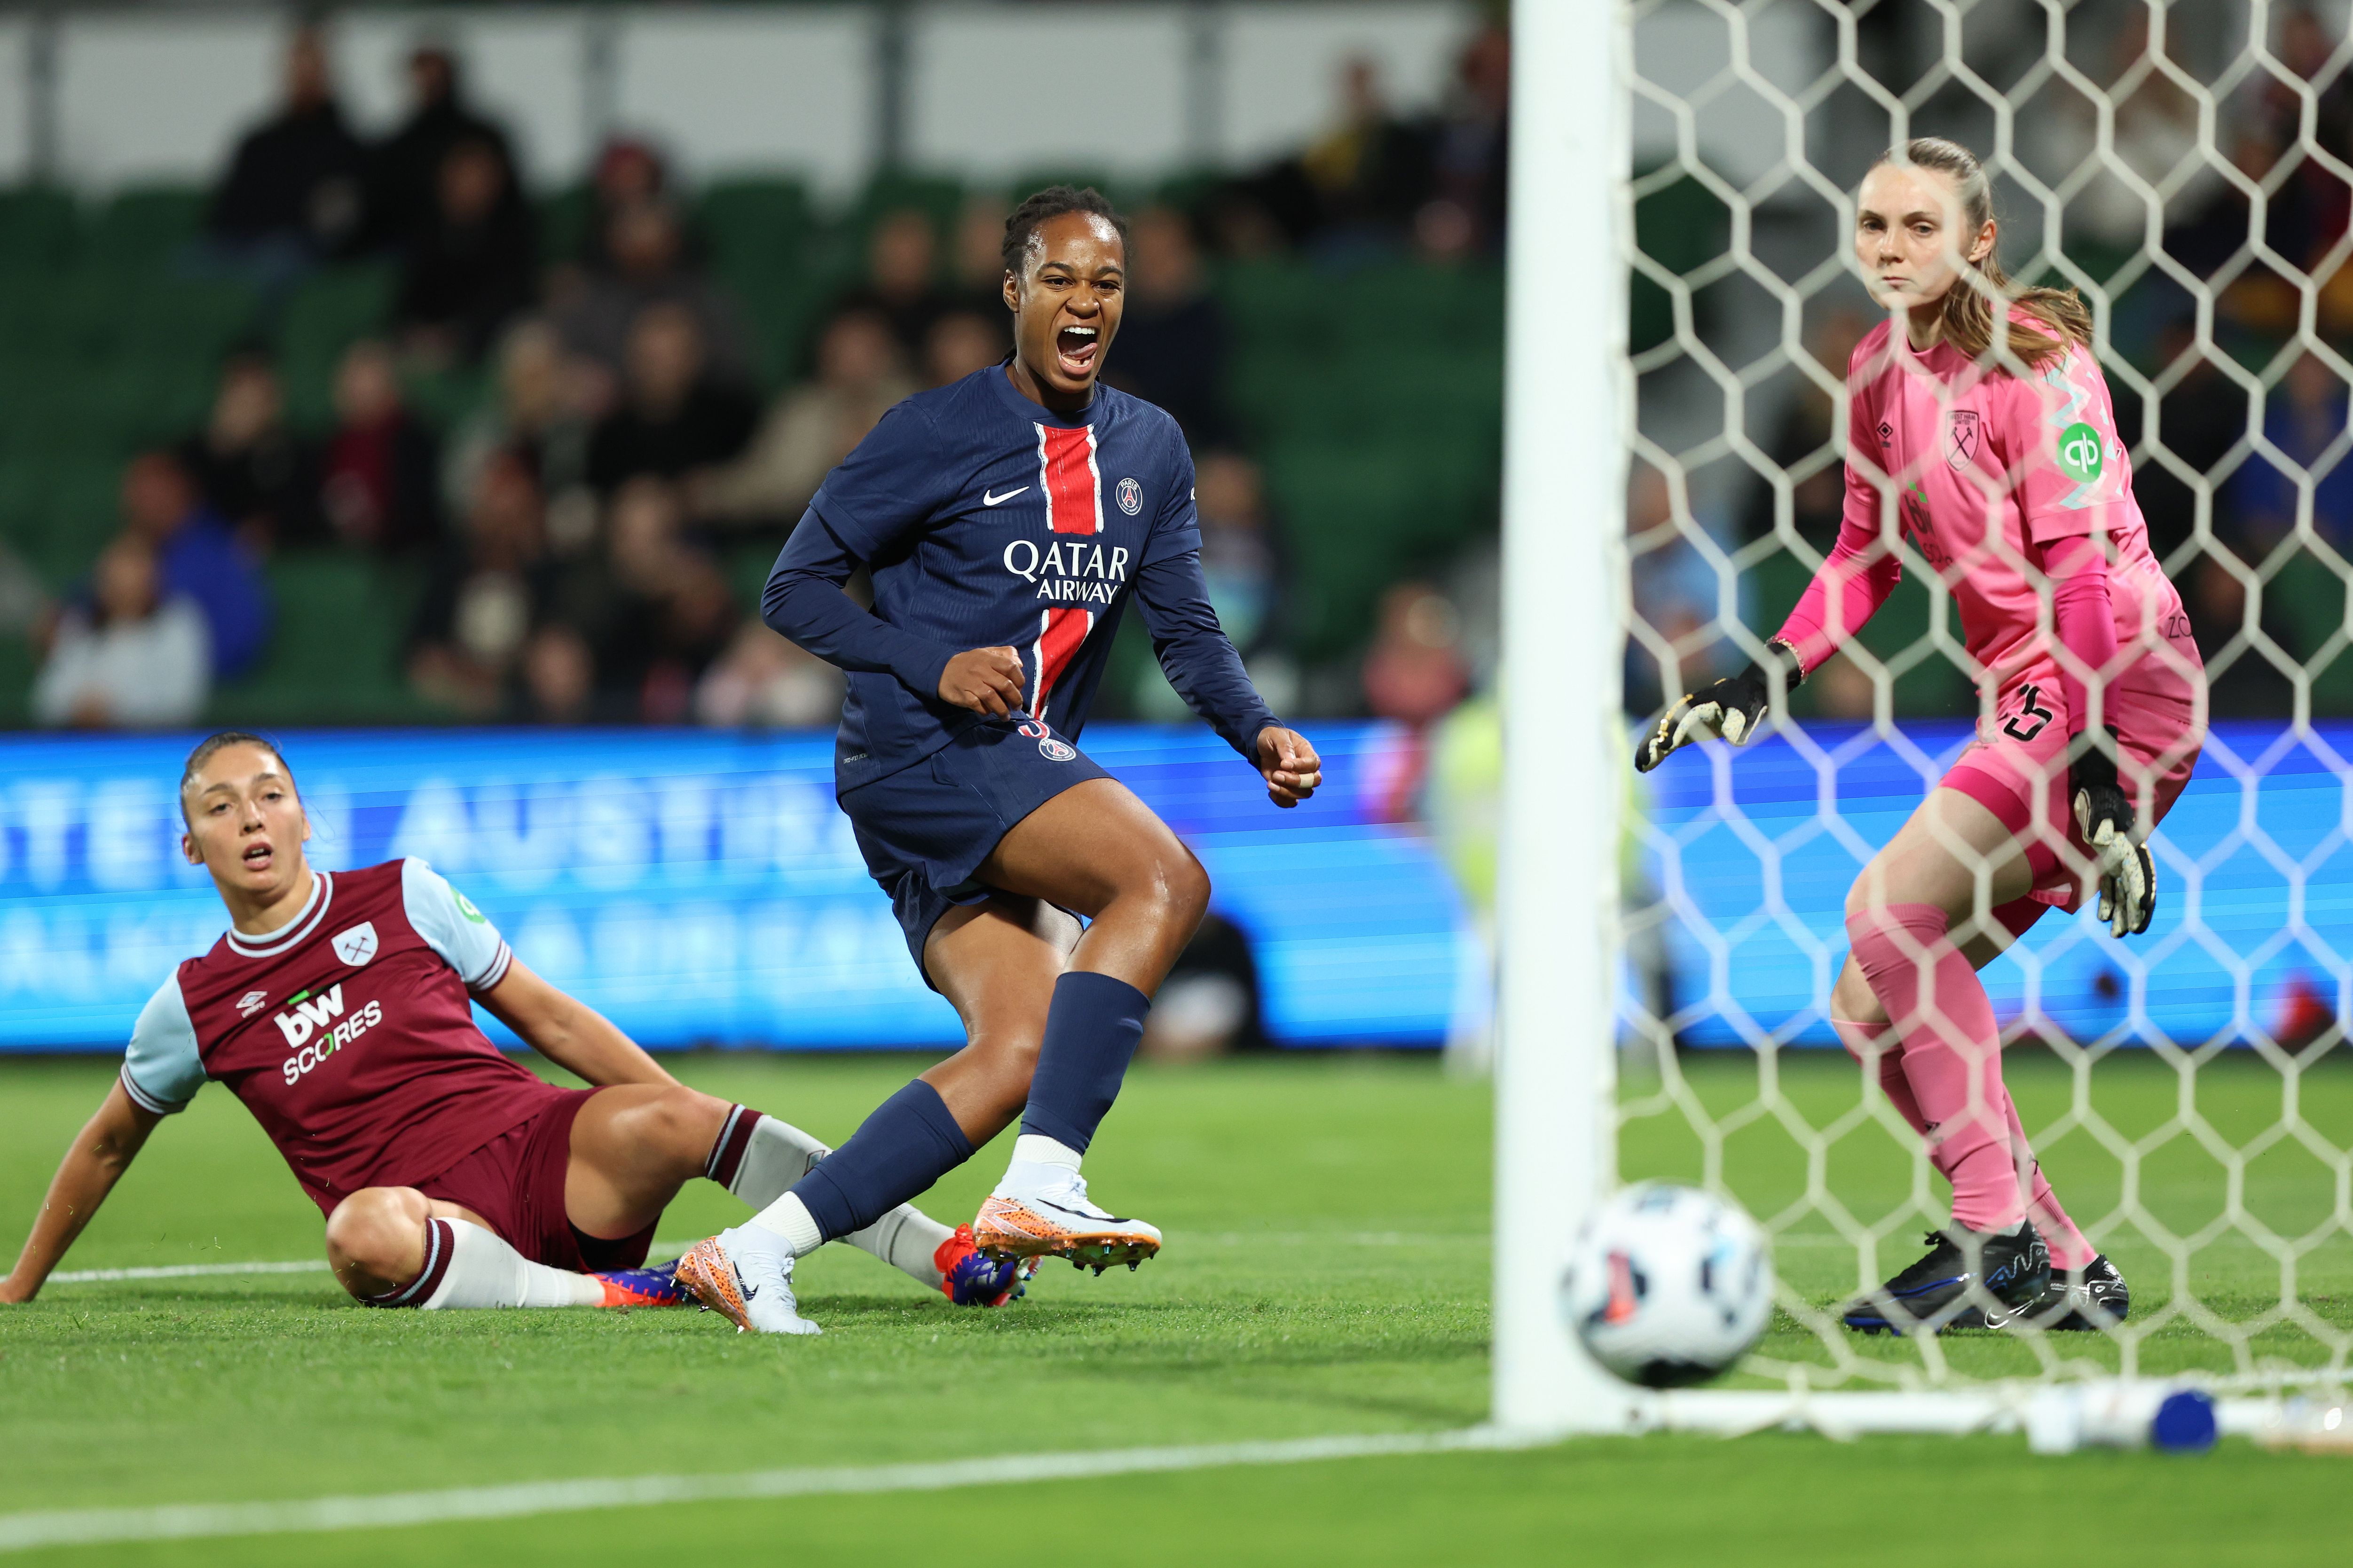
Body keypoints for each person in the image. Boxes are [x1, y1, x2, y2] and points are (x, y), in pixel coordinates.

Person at [669, 187, 1321, 1334]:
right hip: (921, 745)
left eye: (1106, 283)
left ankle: (751, 1251)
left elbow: (1183, 626)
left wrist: (1254, 726)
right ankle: (1040, 1186)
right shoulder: (934, 429)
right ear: (1014, 292)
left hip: (1001, 759)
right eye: (1061, 278)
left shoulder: (1149, 447)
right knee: (1162, 879)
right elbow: (794, 587)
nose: (1085, 301)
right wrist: (932, 660)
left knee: (1021, 1047)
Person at [1636, 139, 2207, 1336]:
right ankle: (2059, 1263)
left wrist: (2097, 761)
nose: (1893, 249)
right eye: (1874, 226)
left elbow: (2087, 580)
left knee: (1889, 915)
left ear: (1981, 240)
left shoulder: (2042, 371)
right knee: (1865, 998)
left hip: (2113, 677)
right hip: (2032, 697)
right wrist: (1766, 673)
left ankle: (1993, 1243)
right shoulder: (1879, 368)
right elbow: (1863, 554)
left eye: (1920, 227)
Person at [0, 733, 1024, 1324]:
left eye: (270, 796)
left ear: (306, 815)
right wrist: (20, 1282)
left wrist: (669, 1109)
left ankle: (942, 1257)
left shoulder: (403, 894)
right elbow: (105, 1142)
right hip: (439, 1226)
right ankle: (617, 1298)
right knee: (355, 1234)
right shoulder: (193, 1004)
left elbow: (547, 1017)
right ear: (191, 846)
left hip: (544, 1155)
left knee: (673, 1119)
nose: (252, 819)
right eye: (222, 809)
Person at [204, 26, 367, 274]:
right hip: (241, 242)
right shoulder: (258, 143)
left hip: (298, 248)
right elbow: (226, 209)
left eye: (312, 69)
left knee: (276, 258)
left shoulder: (345, 146)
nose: (304, 78)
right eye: (297, 69)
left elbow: (339, 218)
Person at [120, 450, 272, 682]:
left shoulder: (221, 556)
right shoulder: (128, 552)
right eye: (136, 491)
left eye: (154, 490)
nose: (142, 502)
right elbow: (85, 610)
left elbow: (239, 644)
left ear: (182, 490)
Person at [32, 536, 210, 728]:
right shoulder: (80, 626)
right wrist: (78, 708)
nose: (122, 583)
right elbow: (45, 700)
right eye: (113, 574)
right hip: (82, 745)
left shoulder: (177, 624)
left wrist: (114, 710)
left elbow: (183, 701)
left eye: (133, 571)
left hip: (150, 748)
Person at [393, 134, 538, 367]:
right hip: (426, 348)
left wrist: (457, 335)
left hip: (487, 347)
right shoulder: (432, 235)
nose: (468, 184)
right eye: (460, 174)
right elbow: (408, 302)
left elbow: (513, 297)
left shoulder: (515, 231)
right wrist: (419, 335)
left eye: (477, 175)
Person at [317, 339, 443, 553]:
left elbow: (421, 516)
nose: (362, 393)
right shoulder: (328, 445)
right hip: (336, 553)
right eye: (355, 383)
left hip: (396, 555)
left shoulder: (416, 443)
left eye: (371, 381)